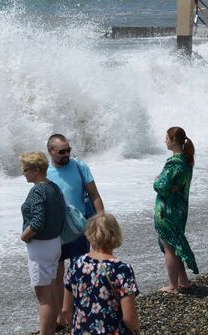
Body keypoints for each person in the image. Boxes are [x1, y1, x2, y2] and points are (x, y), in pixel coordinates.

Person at [46, 134, 105, 328]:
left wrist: (101, 221)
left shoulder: (80, 167)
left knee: (78, 271)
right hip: (55, 230)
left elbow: (95, 195)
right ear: (50, 151)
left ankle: (76, 311)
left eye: (68, 150)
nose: (66, 154)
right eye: (61, 151)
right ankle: (59, 316)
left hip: (79, 229)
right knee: (56, 273)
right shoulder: (44, 172)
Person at [61, 213, 140, 335]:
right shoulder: (121, 269)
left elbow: (66, 310)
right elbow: (129, 318)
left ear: (90, 235)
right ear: (115, 235)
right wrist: (136, 329)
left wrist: (78, 327)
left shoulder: (76, 264)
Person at [20, 151, 66, 335]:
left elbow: (38, 221)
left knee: (43, 297)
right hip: (55, 243)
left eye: (25, 169)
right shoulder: (54, 187)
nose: (23, 173)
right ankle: (50, 329)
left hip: (41, 247)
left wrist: (24, 236)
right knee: (50, 291)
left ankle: (45, 332)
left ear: (36, 170)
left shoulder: (38, 190)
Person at [154, 126, 199, 293]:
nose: (164, 141)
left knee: (169, 247)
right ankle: (184, 281)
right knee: (176, 243)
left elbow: (160, 186)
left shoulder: (174, 162)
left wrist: (157, 180)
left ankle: (173, 285)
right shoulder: (187, 161)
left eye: (167, 138)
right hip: (180, 208)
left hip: (169, 209)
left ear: (173, 141)